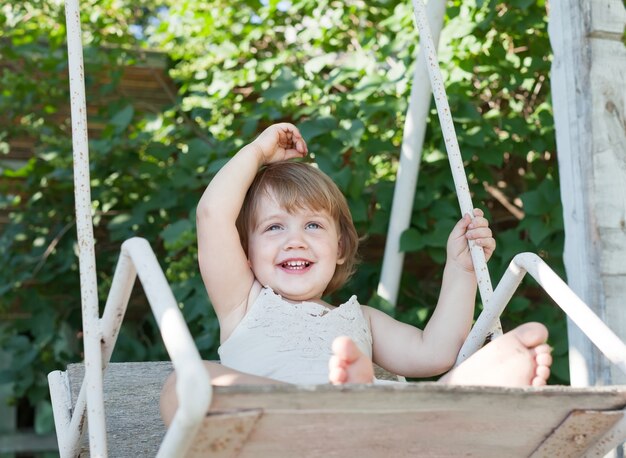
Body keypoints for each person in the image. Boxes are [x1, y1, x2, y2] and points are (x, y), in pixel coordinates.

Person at [160, 123, 552, 425]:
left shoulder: (359, 319)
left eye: (312, 226)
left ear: (340, 248)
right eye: (274, 227)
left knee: (397, 391)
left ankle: (442, 396)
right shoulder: (242, 304)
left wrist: (462, 269)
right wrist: (259, 151)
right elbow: (211, 215)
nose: (294, 241)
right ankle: (339, 405)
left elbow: (434, 351)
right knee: (186, 382)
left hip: (366, 427)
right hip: (277, 431)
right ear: (245, 253)